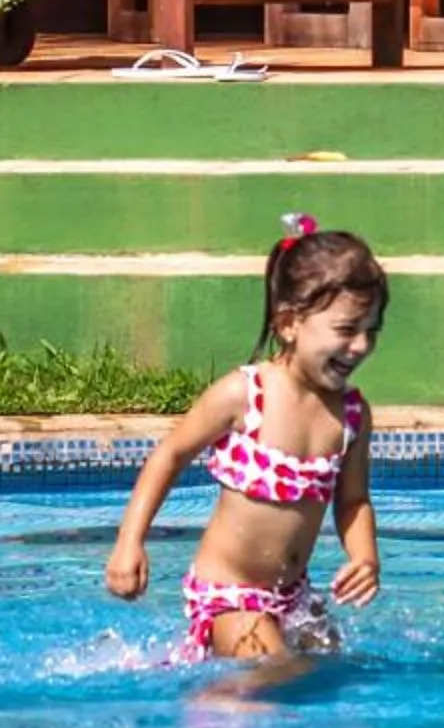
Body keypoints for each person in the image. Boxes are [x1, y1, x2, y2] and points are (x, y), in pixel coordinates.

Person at [105, 218, 387, 663]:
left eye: (372, 330)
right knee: (278, 673)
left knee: (341, 671)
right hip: (229, 596)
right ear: (289, 323)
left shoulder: (351, 414)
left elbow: (352, 501)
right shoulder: (246, 394)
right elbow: (170, 455)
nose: (361, 346)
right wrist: (129, 542)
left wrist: (365, 557)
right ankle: (210, 698)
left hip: (294, 597)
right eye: (347, 329)